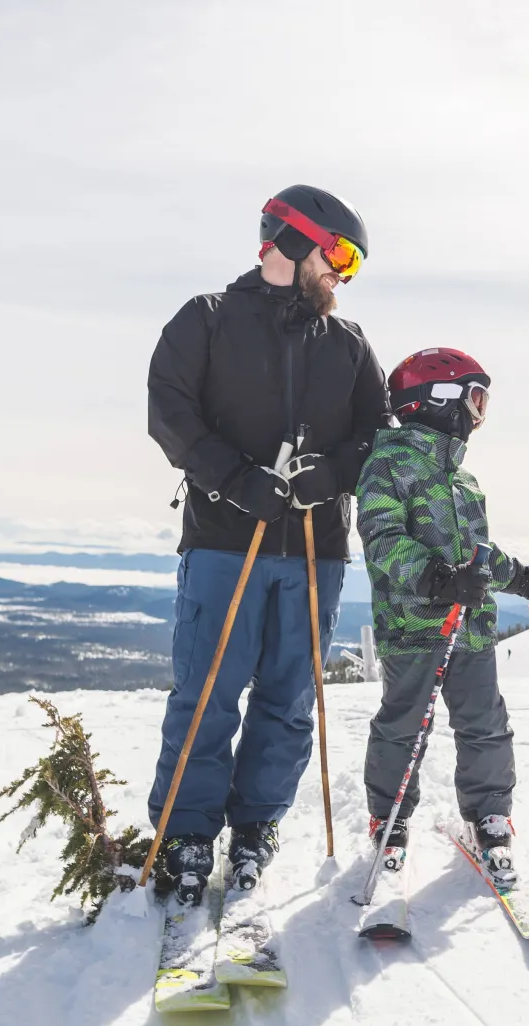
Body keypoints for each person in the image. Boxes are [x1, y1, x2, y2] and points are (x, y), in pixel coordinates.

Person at [144, 184, 388, 903]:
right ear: (290, 238)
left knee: (287, 697)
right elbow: (170, 411)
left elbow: (375, 434)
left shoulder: (346, 344)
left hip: (315, 549)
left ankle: (256, 825)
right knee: (209, 690)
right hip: (224, 539)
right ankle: (188, 833)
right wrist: (231, 480)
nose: (343, 272)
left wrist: (333, 475)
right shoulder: (208, 320)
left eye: (353, 262)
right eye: (339, 253)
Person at [356, 347, 529, 888]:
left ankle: (488, 814)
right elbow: (382, 540)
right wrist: (437, 580)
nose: (478, 411)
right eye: (474, 397)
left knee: (485, 724)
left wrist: (521, 577)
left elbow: (478, 556)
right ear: (436, 400)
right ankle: (390, 818)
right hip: (413, 627)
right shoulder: (390, 464)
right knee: (405, 726)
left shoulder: (464, 482)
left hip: (470, 629)